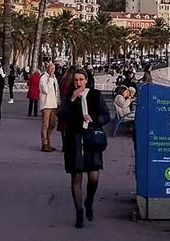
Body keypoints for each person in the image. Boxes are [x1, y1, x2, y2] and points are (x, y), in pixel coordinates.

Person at [59, 68, 110, 228]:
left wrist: (93, 119)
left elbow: (106, 115)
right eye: (76, 80)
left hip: (91, 140)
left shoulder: (96, 95)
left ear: (86, 80)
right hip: (74, 140)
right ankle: (79, 212)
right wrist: (72, 99)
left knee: (93, 177)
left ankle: (89, 201)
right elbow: (61, 115)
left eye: (81, 79)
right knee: (76, 177)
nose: (78, 83)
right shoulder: (69, 96)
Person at [39, 61, 60, 152]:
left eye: (53, 69)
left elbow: (57, 91)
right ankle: (44, 143)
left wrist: (58, 101)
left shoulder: (55, 78)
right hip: (46, 105)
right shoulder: (43, 78)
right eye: (50, 68)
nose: (52, 70)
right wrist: (50, 79)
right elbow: (46, 90)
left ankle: (48, 139)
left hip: (54, 104)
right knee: (45, 124)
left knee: (52, 124)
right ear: (47, 69)